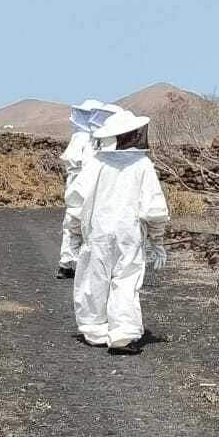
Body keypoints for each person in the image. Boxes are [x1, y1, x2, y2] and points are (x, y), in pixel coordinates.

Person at [66, 106, 169, 353]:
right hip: (129, 233)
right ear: (132, 135)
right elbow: (154, 208)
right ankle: (122, 334)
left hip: (97, 231)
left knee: (94, 279)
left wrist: (74, 233)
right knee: (126, 279)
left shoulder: (96, 163)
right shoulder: (142, 165)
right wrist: (156, 240)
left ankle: (94, 330)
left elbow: (76, 201)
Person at [56, 100, 117, 277]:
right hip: (86, 187)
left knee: (73, 224)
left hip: (77, 187)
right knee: (86, 225)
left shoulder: (84, 139)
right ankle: (80, 265)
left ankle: (68, 263)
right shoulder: (89, 141)